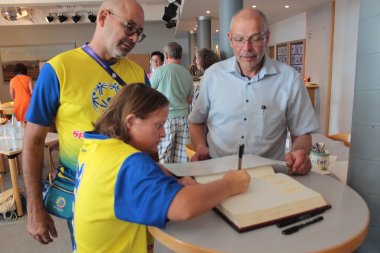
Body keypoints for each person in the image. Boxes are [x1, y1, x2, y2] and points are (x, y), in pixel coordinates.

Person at [22, 0, 149, 246]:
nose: (134, 38)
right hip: (84, 197)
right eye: (129, 27)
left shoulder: (138, 74)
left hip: (133, 190)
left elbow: (148, 136)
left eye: (139, 33)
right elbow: (33, 141)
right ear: (103, 18)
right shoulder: (58, 69)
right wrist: (34, 206)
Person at [73, 83, 250, 253]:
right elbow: (183, 206)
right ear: (131, 121)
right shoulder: (130, 163)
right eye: (158, 125)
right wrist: (229, 184)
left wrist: (165, 176)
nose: (164, 133)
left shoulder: (96, 147)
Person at [189, 8, 319, 175]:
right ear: (230, 39)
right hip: (217, 174)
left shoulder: (290, 80)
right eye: (239, 39)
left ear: (267, 38)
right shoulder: (212, 76)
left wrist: (299, 152)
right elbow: (196, 121)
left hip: (269, 177)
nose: (246, 47)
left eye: (255, 39)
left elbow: (302, 133)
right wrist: (200, 146)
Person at [150, 42, 194, 163]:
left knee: (163, 156)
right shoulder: (187, 74)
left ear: (166, 55)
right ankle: (181, 181)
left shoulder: (159, 72)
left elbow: (147, 93)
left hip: (165, 119)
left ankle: (164, 180)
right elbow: (190, 100)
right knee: (183, 159)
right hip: (184, 119)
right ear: (181, 56)